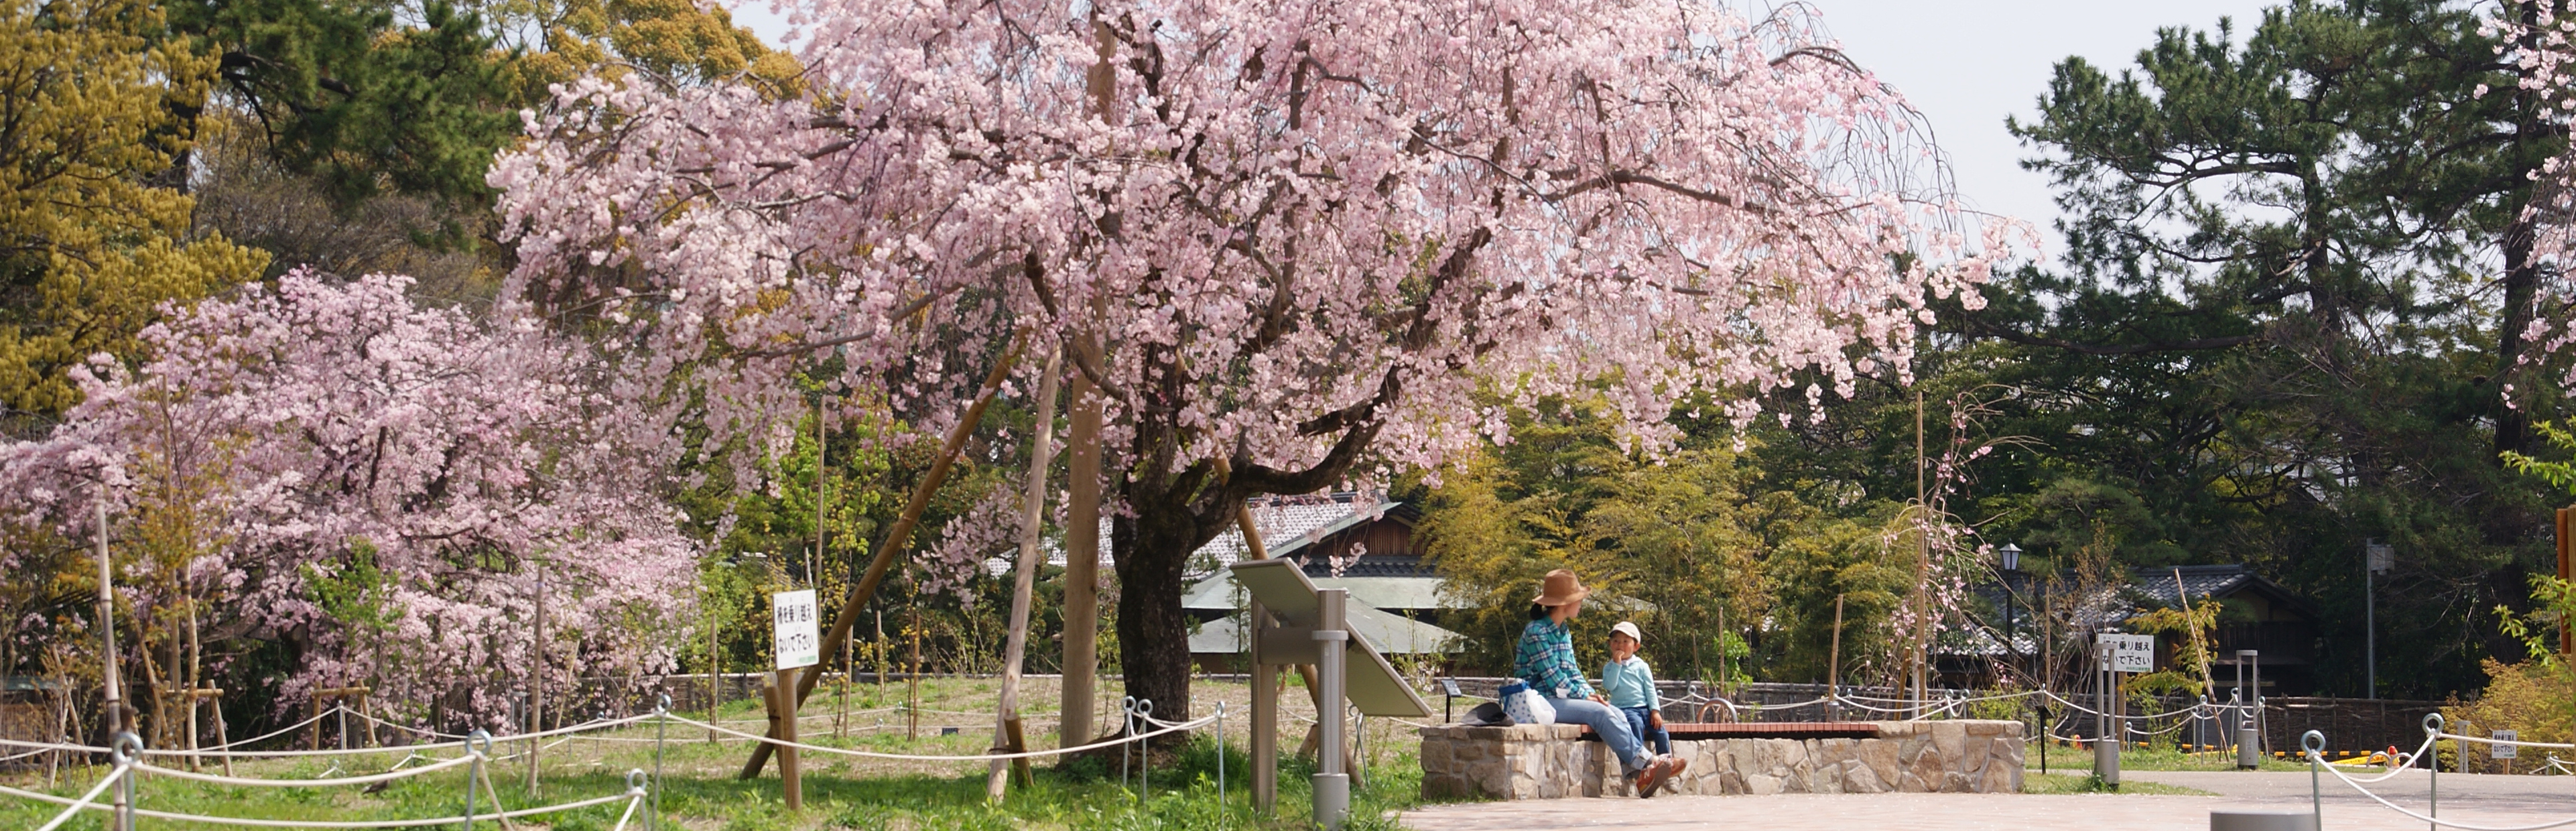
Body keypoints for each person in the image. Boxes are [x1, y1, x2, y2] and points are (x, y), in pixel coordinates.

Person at [1512, 569, 1683, 797]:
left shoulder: (1563, 632)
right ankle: (1648, 763)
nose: (1581, 604)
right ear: (1566, 603)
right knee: (1600, 714)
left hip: (1559, 698)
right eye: (1579, 599)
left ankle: (1639, 776)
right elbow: (1554, 678)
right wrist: (1585, 698)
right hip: (1540, 701)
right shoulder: (1536, 632)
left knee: (1615, 713)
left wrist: (1591, 694)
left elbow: (1572, 671)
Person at [1602, 621, 1671, 757]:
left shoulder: (1641, 666)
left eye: (1625, 641)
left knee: (1661, 732)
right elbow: (1610, 686)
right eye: (1616, 641)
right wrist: (1617, 665)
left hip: (1645, 709)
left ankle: (1665, 760)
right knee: (1636, 725)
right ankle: (1641, 762)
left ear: (1636, 646)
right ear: (1610, 644)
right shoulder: (1609, 667)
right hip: (1625, 709)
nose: (1620, 645)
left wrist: (1655, 711)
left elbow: (1650, 689)